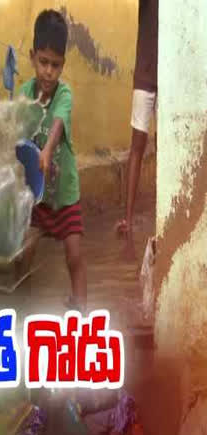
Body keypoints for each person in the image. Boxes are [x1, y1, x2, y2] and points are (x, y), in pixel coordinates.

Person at [18, 9, 87, 313]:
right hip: (38, 196)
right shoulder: (24, 94)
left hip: (64, 195)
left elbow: (58, 123)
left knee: (74, 256)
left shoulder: (65, 94)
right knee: (23, 254)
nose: (48, 72)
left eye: (55, 65)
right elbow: (16, 136)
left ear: (63, 65)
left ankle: (81, 308)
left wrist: (46, 151)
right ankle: (22, 304)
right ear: (33, 57)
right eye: (43, 63)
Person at [115, 0, 157, 259]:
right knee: (137, 146)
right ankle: (128, 221)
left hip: (172, 75)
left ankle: (165, 218)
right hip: (145, 74)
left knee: (168, 148)